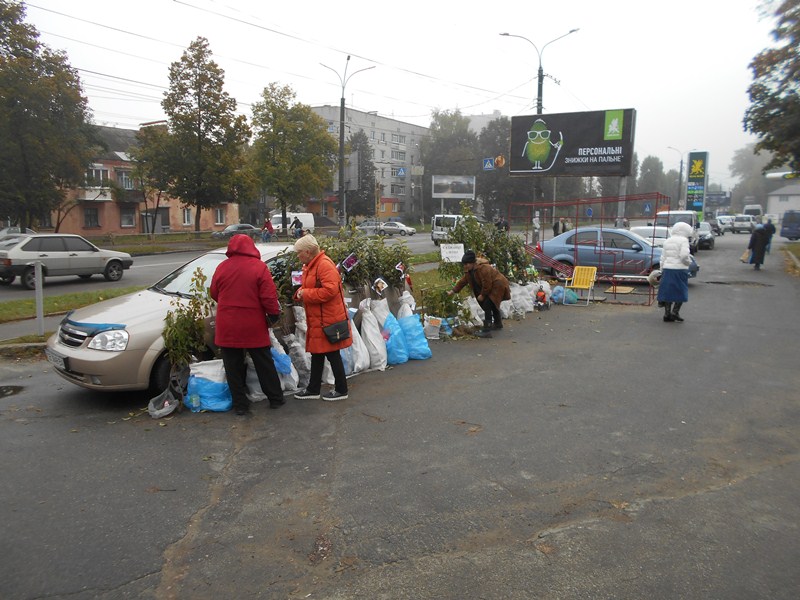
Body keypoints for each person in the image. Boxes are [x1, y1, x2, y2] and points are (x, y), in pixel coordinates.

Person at [210, 234, 284, 415]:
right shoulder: (259, 267)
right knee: (263, 362)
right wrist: (273, 315)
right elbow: (269, 297)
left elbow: (214, 293)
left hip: (227, 324)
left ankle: (240, 405)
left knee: (232, 366)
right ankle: (275, 398)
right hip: (253, 323)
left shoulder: (222, 267)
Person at [292, 234, 352, 401]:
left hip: (327, 319)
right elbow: (311, 287)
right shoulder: (312, 265)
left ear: (308, 252)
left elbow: (330, 291)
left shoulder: (323, 264)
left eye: (299, 252)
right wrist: (300, 293)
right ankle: (313, 388)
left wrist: (306, 294)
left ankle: (341, 389)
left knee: (332, 354)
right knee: (317, 353)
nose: (298, 256)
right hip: (319, 318)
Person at [447, 250, 511, 338]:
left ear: (472, 262)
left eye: (467, 264)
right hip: (492, 286)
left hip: (498, 285)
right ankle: (498, 324)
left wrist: (483, 295)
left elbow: (487, 283)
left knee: (488, 304)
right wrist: (453, 291)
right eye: (464, 264)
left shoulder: (483, 268)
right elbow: (463, 282)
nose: (465, 266)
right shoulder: (469, 271)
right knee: (493, 304)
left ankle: (487, 330)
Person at [657, 221, 693, 323]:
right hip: (680, 269)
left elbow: (663, 257)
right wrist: (688, 263)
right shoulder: (684, 240)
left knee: (668, 292)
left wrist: (662, 269)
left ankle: (667, 314)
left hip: (667, 269)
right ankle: (675, 312)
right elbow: (684, 255)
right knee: (680, 291)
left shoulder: (667, 241)